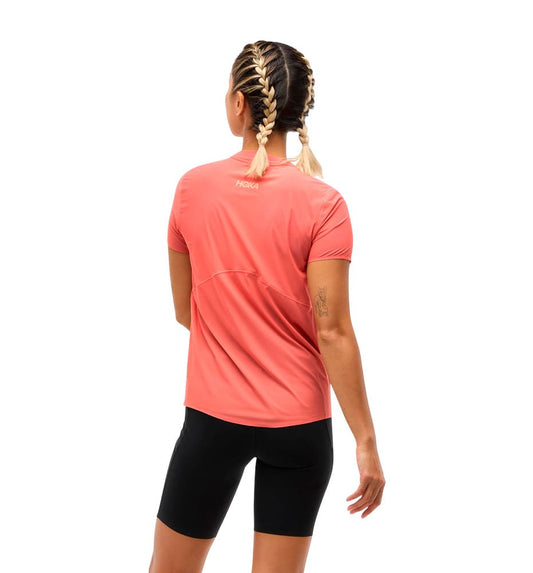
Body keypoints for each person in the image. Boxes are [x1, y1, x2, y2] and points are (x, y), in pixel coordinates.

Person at [148, 40, 385, 573]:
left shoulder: (192, 189)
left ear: (239, 102)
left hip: (212, 421)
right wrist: (365, 441)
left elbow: (186, 311)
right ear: (299, 112)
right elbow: (333, 330)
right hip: (300, 428)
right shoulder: (325, 205)